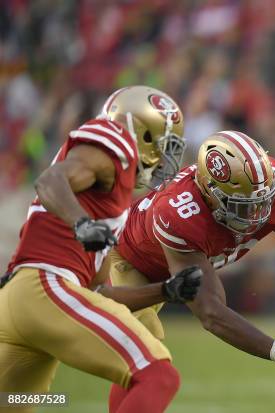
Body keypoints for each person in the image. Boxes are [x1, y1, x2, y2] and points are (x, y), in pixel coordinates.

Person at [95, 130, 275, 410]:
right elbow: (211, 313)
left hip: (174, 264)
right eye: (244, 206)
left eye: (263, 201)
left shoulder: (269, 189)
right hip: (129, 261)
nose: (257, 214)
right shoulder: (180, 214)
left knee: (142, 360)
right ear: (210, 195)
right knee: (147, 354)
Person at [0, 85, 191, 413]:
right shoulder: (112, 139)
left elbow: (100, 291)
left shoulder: (108, 198)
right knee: (158, 375)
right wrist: (82, 224)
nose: (165, 158)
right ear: (141, 133)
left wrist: (166, 291)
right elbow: (49, 181)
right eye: (163, 144)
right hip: (45, 289)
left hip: (20, 300)